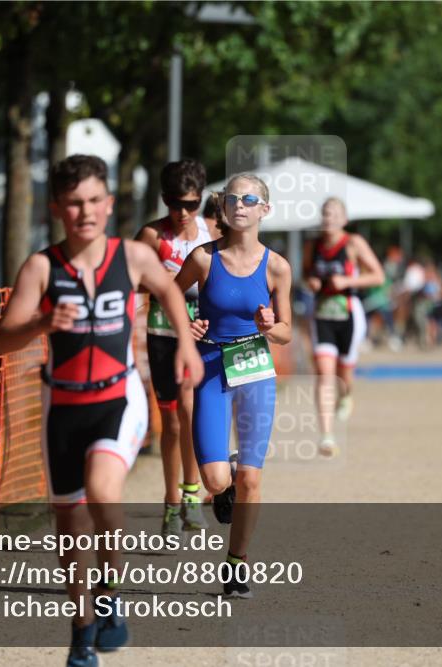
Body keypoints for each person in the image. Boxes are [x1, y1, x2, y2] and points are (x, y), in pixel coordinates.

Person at [0, 155, 203, 667]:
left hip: (117, 396)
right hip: (62, 405)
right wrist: (43, 324)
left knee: (105, 496)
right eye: (73, 203)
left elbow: (170, 296)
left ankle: (109, 592)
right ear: (58, 209)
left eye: (93, 201)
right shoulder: (42, 267)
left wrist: (186, 346)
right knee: (69, 525)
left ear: (108, 205)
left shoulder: (131, 256)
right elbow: (2, 339)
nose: (85, 211)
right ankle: (82, 629)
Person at [174, 172, 293, 599]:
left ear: (265, 209)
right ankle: (224, 479)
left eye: (249, 199)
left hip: (255, 371)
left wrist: (270, 326)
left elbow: (286, 334)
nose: (239, 205)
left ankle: (237, 564)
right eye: (231, 199)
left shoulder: (277, 266)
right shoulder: (203, 258)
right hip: (210, 367)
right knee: (213, 481)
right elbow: (168, 298)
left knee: (251, 479)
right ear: (223, 208)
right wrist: (185, 324)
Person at [134, 159, 213, 537]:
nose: (182, 213)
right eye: (173, 203)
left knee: (190, 409)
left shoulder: (211, 233)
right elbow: (127, 281)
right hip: (161, 334)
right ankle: (171, 503)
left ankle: (192, 495)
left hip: (199, 336)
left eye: (191, 204)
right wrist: (158, 282)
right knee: (172, 423)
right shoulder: (151, 236)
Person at [304, 197, 384, 455]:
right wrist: (312, 282)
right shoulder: (312, 245)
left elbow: (378, 275)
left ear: (344, 220)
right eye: (326, 214)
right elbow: (305, 273)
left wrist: (348, 281)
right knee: (325, 373)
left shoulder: (353, 244)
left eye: (335, 215)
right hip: (322, 315)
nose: (329, 219)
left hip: (349, 315)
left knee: (344, 374)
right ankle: (327, 436)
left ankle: (347, 395)